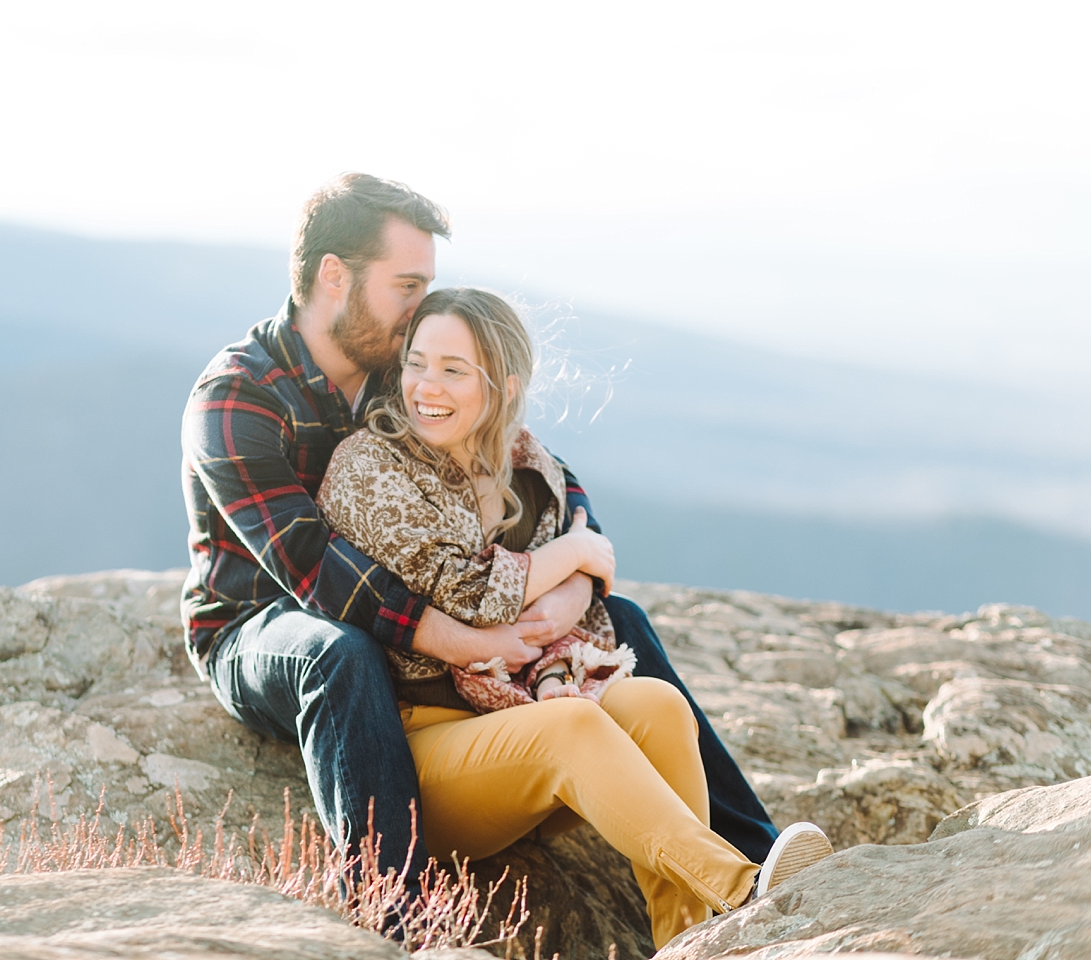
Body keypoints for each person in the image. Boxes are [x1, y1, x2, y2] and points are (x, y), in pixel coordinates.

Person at [179, 172, 779, 898]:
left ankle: (757, 851)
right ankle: (389, 903)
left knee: (618, 621)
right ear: (334, 277)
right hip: (262, 623)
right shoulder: (236, 397)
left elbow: (534, 470)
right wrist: (466, 640)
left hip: (420, 610)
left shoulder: (397, 370)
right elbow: (311, 567)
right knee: (340, 652)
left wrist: (573, 586)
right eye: (407, 285)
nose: (420, 308)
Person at [315, 287, 834, 947]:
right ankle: (744, 888)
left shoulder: (530, 470)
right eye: (417, 363)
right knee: (573, 724)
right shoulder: (369, 468)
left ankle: (691, 941)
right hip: (428, 749)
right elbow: (469, 592)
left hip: (524, 718)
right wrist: (572, 554)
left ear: (502, 386)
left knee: (658, 706)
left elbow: (586, 599)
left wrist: (573, 581)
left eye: (452, 369)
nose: (426, 387)